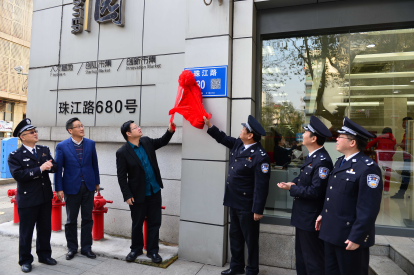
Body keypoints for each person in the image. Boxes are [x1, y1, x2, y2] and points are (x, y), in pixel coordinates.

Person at [204, 115, 271, 276]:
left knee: (251, 240)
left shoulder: (261, 157)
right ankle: (236, 267)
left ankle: (252, 270)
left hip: (248, 205)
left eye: (244, 129)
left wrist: (258, 209)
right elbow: (223, 138)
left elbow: (261, 186)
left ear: (250, 135)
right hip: (233, 201)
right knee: (235, 236)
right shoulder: (239, 144)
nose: (241, 130)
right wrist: (209, 125)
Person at [316, 117, 383, 275]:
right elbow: (334, 195)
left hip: (349, 237)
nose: (336, 139)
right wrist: (323, 215)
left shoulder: (368, 168)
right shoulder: (340, 162)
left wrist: (357, 237)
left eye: (341, 137)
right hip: (332, 232)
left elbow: (368, 208)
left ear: (352, 142)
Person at [277, 116, 333, 275]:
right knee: (301, 258)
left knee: (313, 260)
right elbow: (304, 179)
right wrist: (293, 183)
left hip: (311, 219)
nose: (303, 133)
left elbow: (316, 191)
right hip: (303, 216)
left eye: (306, 131)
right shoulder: (313, 157)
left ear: (314, 138)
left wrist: (292, 189)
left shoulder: (322, 161)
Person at [116, 121, 176, 264]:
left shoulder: (147, 142)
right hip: (137, 195)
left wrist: (170, 130)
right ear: (129, 134)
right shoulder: (122, 152)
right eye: (135, 128)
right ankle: (136, 249)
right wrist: (127, 195)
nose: (139, 128)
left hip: (154, 190)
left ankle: (153, 251)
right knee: (137, 223)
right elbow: (121, 176)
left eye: (138, 126)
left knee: (155, 222)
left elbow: (162, 141)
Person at [8, 119, 58, 273]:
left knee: (45, 229)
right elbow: (19, 175)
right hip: (28, 198)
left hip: (44, 196)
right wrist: (40, 168)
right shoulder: (15, 155)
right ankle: (25, 260)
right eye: (31, 132)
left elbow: (54, 166)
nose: (35, 133)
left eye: (35, 131)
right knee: (26, 231)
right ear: (22, 137)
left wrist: (50, 167)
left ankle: (44, 255)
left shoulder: (43, 149)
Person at [55, 118, 100, 261]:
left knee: (87, 218)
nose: (82, 128)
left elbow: (95, 164)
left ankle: (87, 248)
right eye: (78, 126)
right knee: (71, 220)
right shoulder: (62, 146)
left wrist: (96, 182)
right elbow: (58, 169)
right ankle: (72, 248)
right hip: (70, 187)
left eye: (82, 125)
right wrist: (59, 188)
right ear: (70, 130)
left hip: (88, 186)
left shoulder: (90, 144)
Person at [366, 127, 396, 195]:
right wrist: (391, 155)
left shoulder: (380, 137)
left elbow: (371, 143)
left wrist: (361, 148)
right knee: (387, 173)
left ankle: (377, 187)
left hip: (380, 157)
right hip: (389, 157)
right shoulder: (394, 139)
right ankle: (386, 190)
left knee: (377, 172)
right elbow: (394, 149)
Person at [391, 117, 413, 199]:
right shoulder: (406, 133)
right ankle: (402, 193)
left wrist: (398, 144)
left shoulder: (410, 133)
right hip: (406, 157)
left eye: (406, 123)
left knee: (406, 176)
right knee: (405, 175)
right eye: (403, 123)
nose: (404, 124)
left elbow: (408, 145)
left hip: (409, 157)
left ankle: (401, 193)